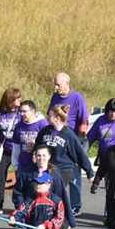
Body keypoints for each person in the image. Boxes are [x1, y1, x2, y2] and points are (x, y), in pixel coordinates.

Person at [35, 106, 95, 217]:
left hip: (63, 169)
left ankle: (60, 217)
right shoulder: (45, 131)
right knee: (42, 191)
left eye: (50, 115)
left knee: (54, 193)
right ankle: (46, 216)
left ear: (57, 118)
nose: (48, 117)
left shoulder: (68, 134)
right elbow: (37, 146)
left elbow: (79, 154)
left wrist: (89, 172)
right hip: (47, 168)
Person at [47, 72, 89, 216]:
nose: (56, 87)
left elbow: (83, 120)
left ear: (66, 83)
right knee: (56, 171)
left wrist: (80, 141)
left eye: (58, 84)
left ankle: (75, 205)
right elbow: (50, 115)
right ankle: (55, 202)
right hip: (57, 138)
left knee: (74, 173)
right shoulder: (55, 97)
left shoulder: (76, 97)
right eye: (55, 84)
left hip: (72, 137)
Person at [10, 100, 49, 229]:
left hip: (37, 168)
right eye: (21, 111)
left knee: (32, 197)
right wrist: (15, 164)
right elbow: (15, 147)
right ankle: (21, 226)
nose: (22, 114)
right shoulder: (19, 126)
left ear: (33, 111)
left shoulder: (41, 124)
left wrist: (36, 148)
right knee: (18, 196)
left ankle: (36, 224)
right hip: (22, 167)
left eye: (25, 111)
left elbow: (47, 146)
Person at [0, 87, 21, 213]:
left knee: (20, 177)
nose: (19, 101)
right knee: (0, 176)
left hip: (18, 149)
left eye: (19, 98)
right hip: (4, 148)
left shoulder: (21, 112)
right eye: (16, 98)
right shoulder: (0, 112)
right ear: (9, 100)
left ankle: (20, 205)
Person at [86, 98, 115, 167]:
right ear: (107, 110)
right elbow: (89, 139)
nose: (113, 114)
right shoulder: (100, 121)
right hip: (104, 158)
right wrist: (81, 154)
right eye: (111, 111)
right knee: (100, 177)